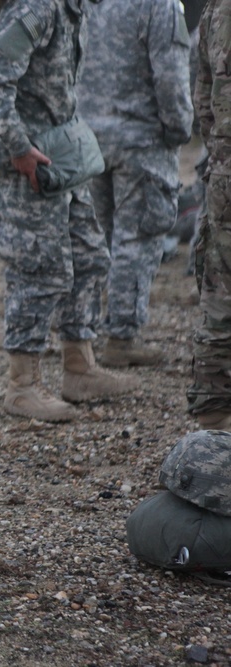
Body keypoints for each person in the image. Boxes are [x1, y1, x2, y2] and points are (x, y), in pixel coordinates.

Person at [0, 0, 134, 424]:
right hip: (29, 161)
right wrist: (18, 147)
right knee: (39, 268)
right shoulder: (38, 8)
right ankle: (22, 386)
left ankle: (79, 367)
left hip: (61, 155)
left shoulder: (73, 9)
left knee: (89, 255)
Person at [76, 0, 193, 368]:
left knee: (96, 238)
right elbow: (171, 74)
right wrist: (179, 128)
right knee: (136, 239)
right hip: (142, 141)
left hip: (88, 137)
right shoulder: (158, 4)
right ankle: (121, 339)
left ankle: (82, 334)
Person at [187, 0, 231, 430]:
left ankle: (214, 422)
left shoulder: (215, 9)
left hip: (225, 171)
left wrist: (220, 153)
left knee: (220, 295)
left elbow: (202, 92)